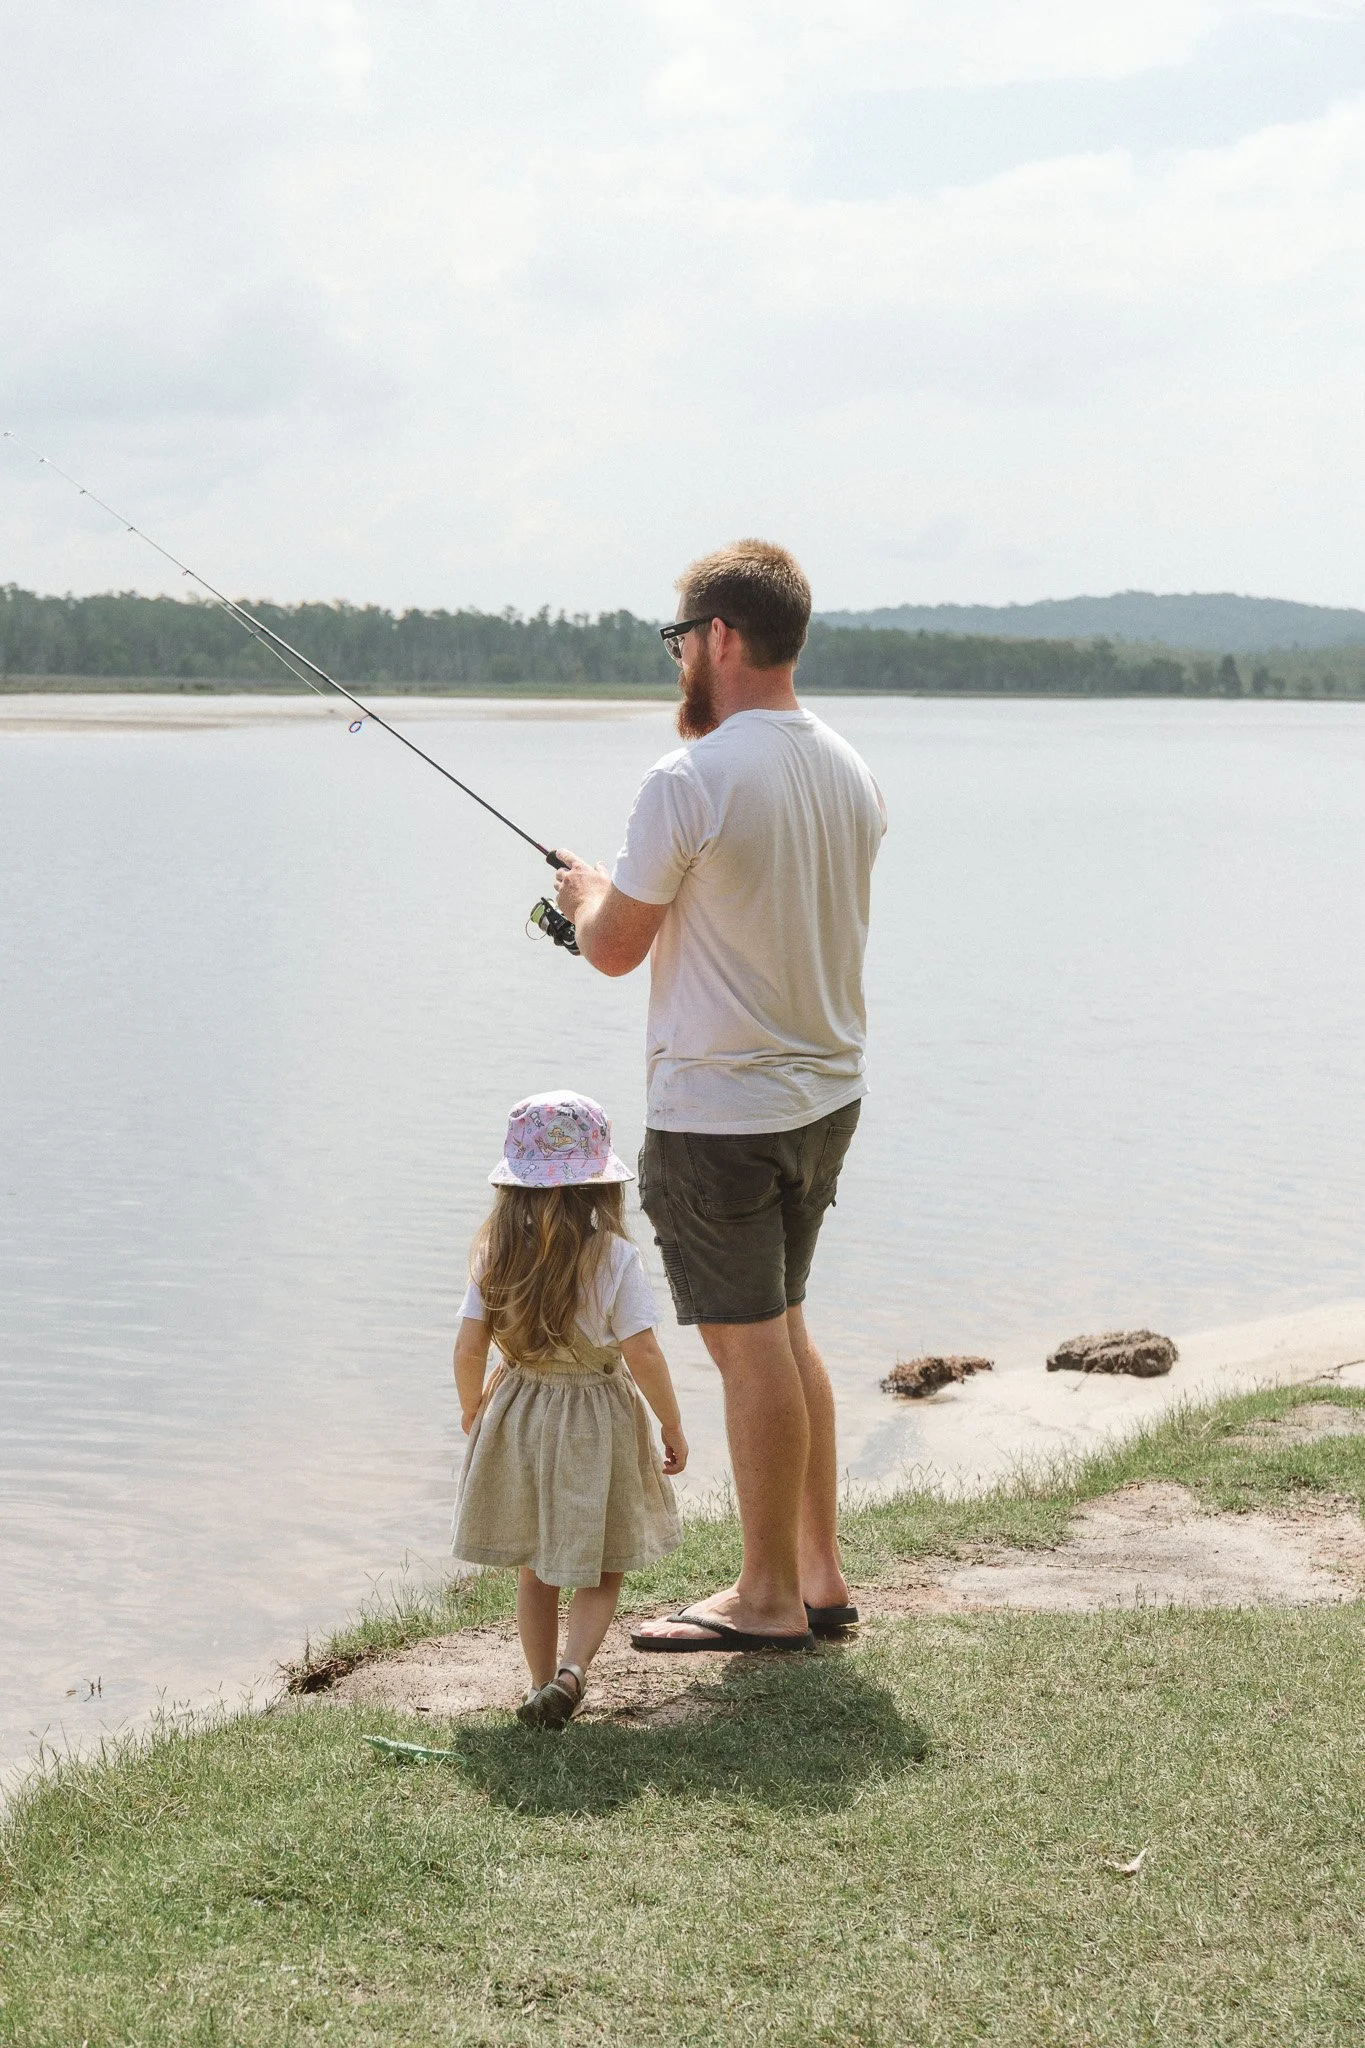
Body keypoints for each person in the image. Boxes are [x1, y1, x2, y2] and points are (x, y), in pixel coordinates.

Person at [551, 539, 886, 1653]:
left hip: (720, 1116)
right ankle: (818, 1574)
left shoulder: (686, 779)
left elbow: (614, 949)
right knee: (784, 1330)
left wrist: (589, 896)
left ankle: (767, 1597)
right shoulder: (848, 765)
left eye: (680, 637)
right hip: (824, 1097)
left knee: (750, 1349)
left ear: (723, 638)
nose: (679, 656)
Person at [452, 1090, 688, 1726]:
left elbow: (469, 1345)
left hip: (519, 1411)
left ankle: (537, 1684)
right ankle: (573, 1671)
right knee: (600, 1558)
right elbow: (643, 1351)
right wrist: (670, 1422)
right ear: (601, 1187)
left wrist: (473, 1409)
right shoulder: (615, 1257)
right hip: (594, 1418)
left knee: (536, 1564)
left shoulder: (492, 1254)